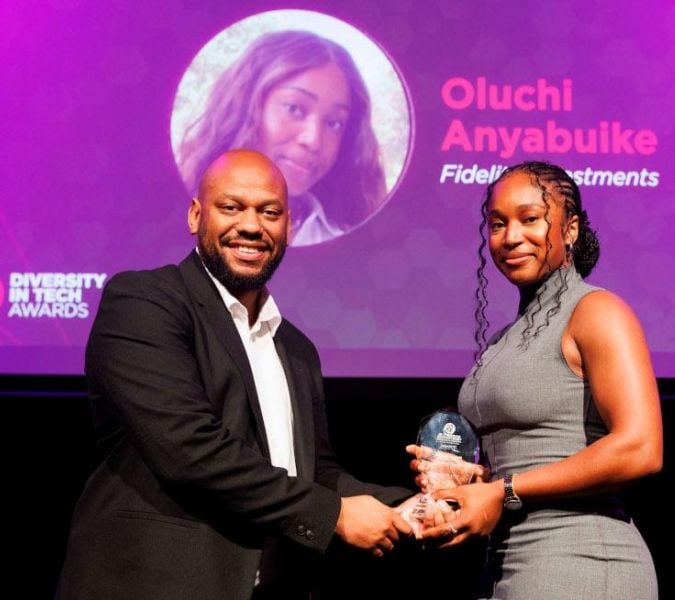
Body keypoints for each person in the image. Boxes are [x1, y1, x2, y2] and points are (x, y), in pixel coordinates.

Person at [56, 149, 414, 600]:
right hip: (156, 584)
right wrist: (334, 516)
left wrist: (407, 505)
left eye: (269, 212)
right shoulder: (144, 302)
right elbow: (190, 448)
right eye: (231, 207)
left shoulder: (296, 348)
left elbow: (313, 472)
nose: (250, 226)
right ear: (194, 215)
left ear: (290, 226)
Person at [408, 161, 663, 599]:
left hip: (583, 560)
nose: (510, 237)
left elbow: (641, 449)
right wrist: (470, 483)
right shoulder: (507, 337)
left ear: (570, 229)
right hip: (510, 564)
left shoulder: (597, 312)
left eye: (530, 219)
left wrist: (504, 490)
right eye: (497, 223)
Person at [176, 30, 386, 246]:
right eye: (294, 109)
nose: (313, 140)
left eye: (334, 123)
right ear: (247, 106)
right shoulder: (173, 215)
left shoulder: (354, 243)